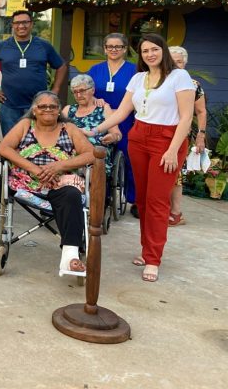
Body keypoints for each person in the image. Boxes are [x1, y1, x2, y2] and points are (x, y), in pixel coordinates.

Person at [91, 34, 195, 283]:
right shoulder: (138, 78)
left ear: (164, 51)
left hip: (167, 139)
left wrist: (172, 149)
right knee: (142, 199)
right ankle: (146, 250)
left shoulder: (179, 77)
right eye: (145, 50)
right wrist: (93, 130)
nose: (150, 54)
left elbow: (186, 117)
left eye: (155, 49)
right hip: (138, 137)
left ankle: (153, 259)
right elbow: (122, 112)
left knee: (158, 201)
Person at [0, 91, 95, 277]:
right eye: (42, 106)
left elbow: (91, 154)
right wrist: (35, 169)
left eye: (53, 106)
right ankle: (71, 255)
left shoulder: (69, 128)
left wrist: (59, 166)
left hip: (60, 183)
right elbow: (3, 148)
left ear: (59, 110)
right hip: (26, 185)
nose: (48, 110)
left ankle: (70, 256)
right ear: (34, 110)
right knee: (70, 198)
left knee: (72, 196)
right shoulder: (26, 125)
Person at [0, 10, 67, 136]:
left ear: (31, 24)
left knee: (37, 142)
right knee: (10, 142)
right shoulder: (3, 46)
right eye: (17, 23)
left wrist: (56, 89)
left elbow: (61, 66)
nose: (21, 26)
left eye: (25, 22)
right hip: (9, 105)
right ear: (13, 25)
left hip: (38, 105)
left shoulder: (43, 45)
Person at [87, 33, 138, 214]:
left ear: (125, 49)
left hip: (125, 120)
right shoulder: (95, 69)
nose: (114, 50)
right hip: (100, 118)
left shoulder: (134, 70)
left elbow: (139, 95)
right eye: (110, 47)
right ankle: (103, 196)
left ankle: (133, 199)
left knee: (129, 157)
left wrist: (122, 110)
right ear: (105, 48)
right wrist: (95, 99)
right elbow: (86, 90)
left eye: (118, 47)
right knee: (102, 157)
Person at [167, 46, 207, 227]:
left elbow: (201, 111)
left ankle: (175, 213)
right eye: (172, 61)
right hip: (160, 131)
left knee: (176, 174)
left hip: (181, 134)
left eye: (179, 62)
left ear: (185, 64)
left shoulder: (193, 85)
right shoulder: (159, 82)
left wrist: (201, 135)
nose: (175, 65)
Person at [62, 74, 122, 175]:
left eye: (82, 91)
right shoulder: (68, 109)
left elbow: (117, 134)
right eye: (75, 92)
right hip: (70, 153)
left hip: (96, 155)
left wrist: (112, 137)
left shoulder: (103, 108)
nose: (79, 95)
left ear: (92, 90)